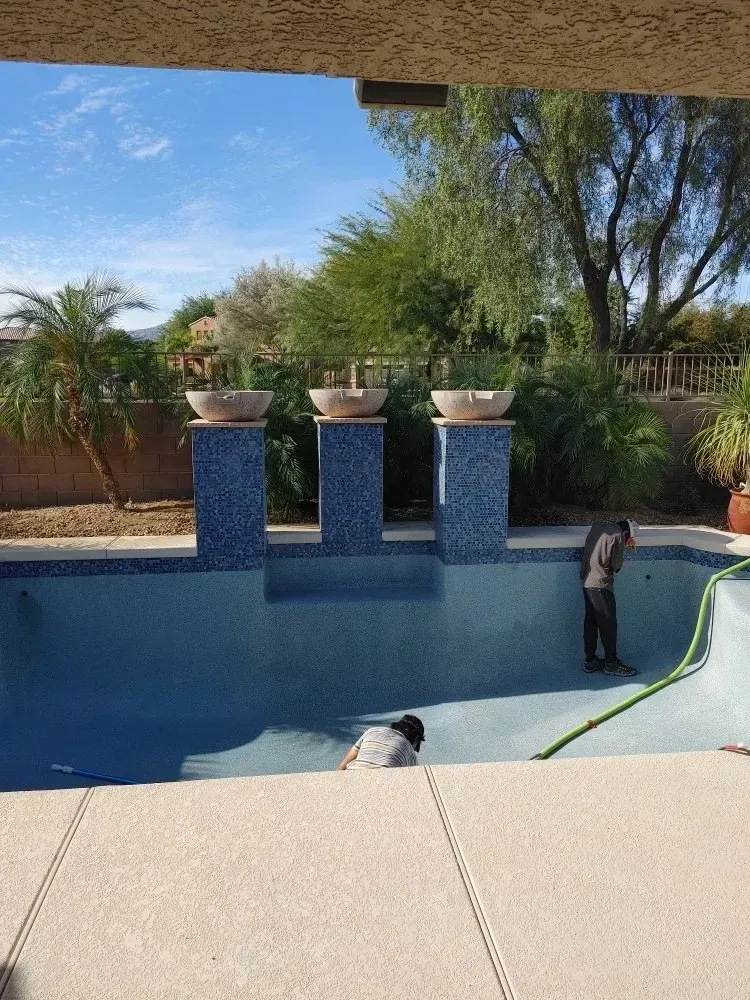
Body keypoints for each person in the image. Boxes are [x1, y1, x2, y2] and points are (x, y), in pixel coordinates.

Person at [580, 519, 639, 677]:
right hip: (601, 585)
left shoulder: (598, 525)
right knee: (608, 626)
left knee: (591, 623)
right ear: (626, 533)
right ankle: (611, 665)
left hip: (587, 582)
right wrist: (624, 545)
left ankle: (590, 660)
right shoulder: (618, 534)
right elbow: (616, 566)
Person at [336, 714, 425, 770]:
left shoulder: (371, 731)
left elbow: (343, 764)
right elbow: (414, 780)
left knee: (354, 751)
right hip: (382, 785)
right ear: (416, 739)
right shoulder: (409, 750)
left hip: (352, 774)